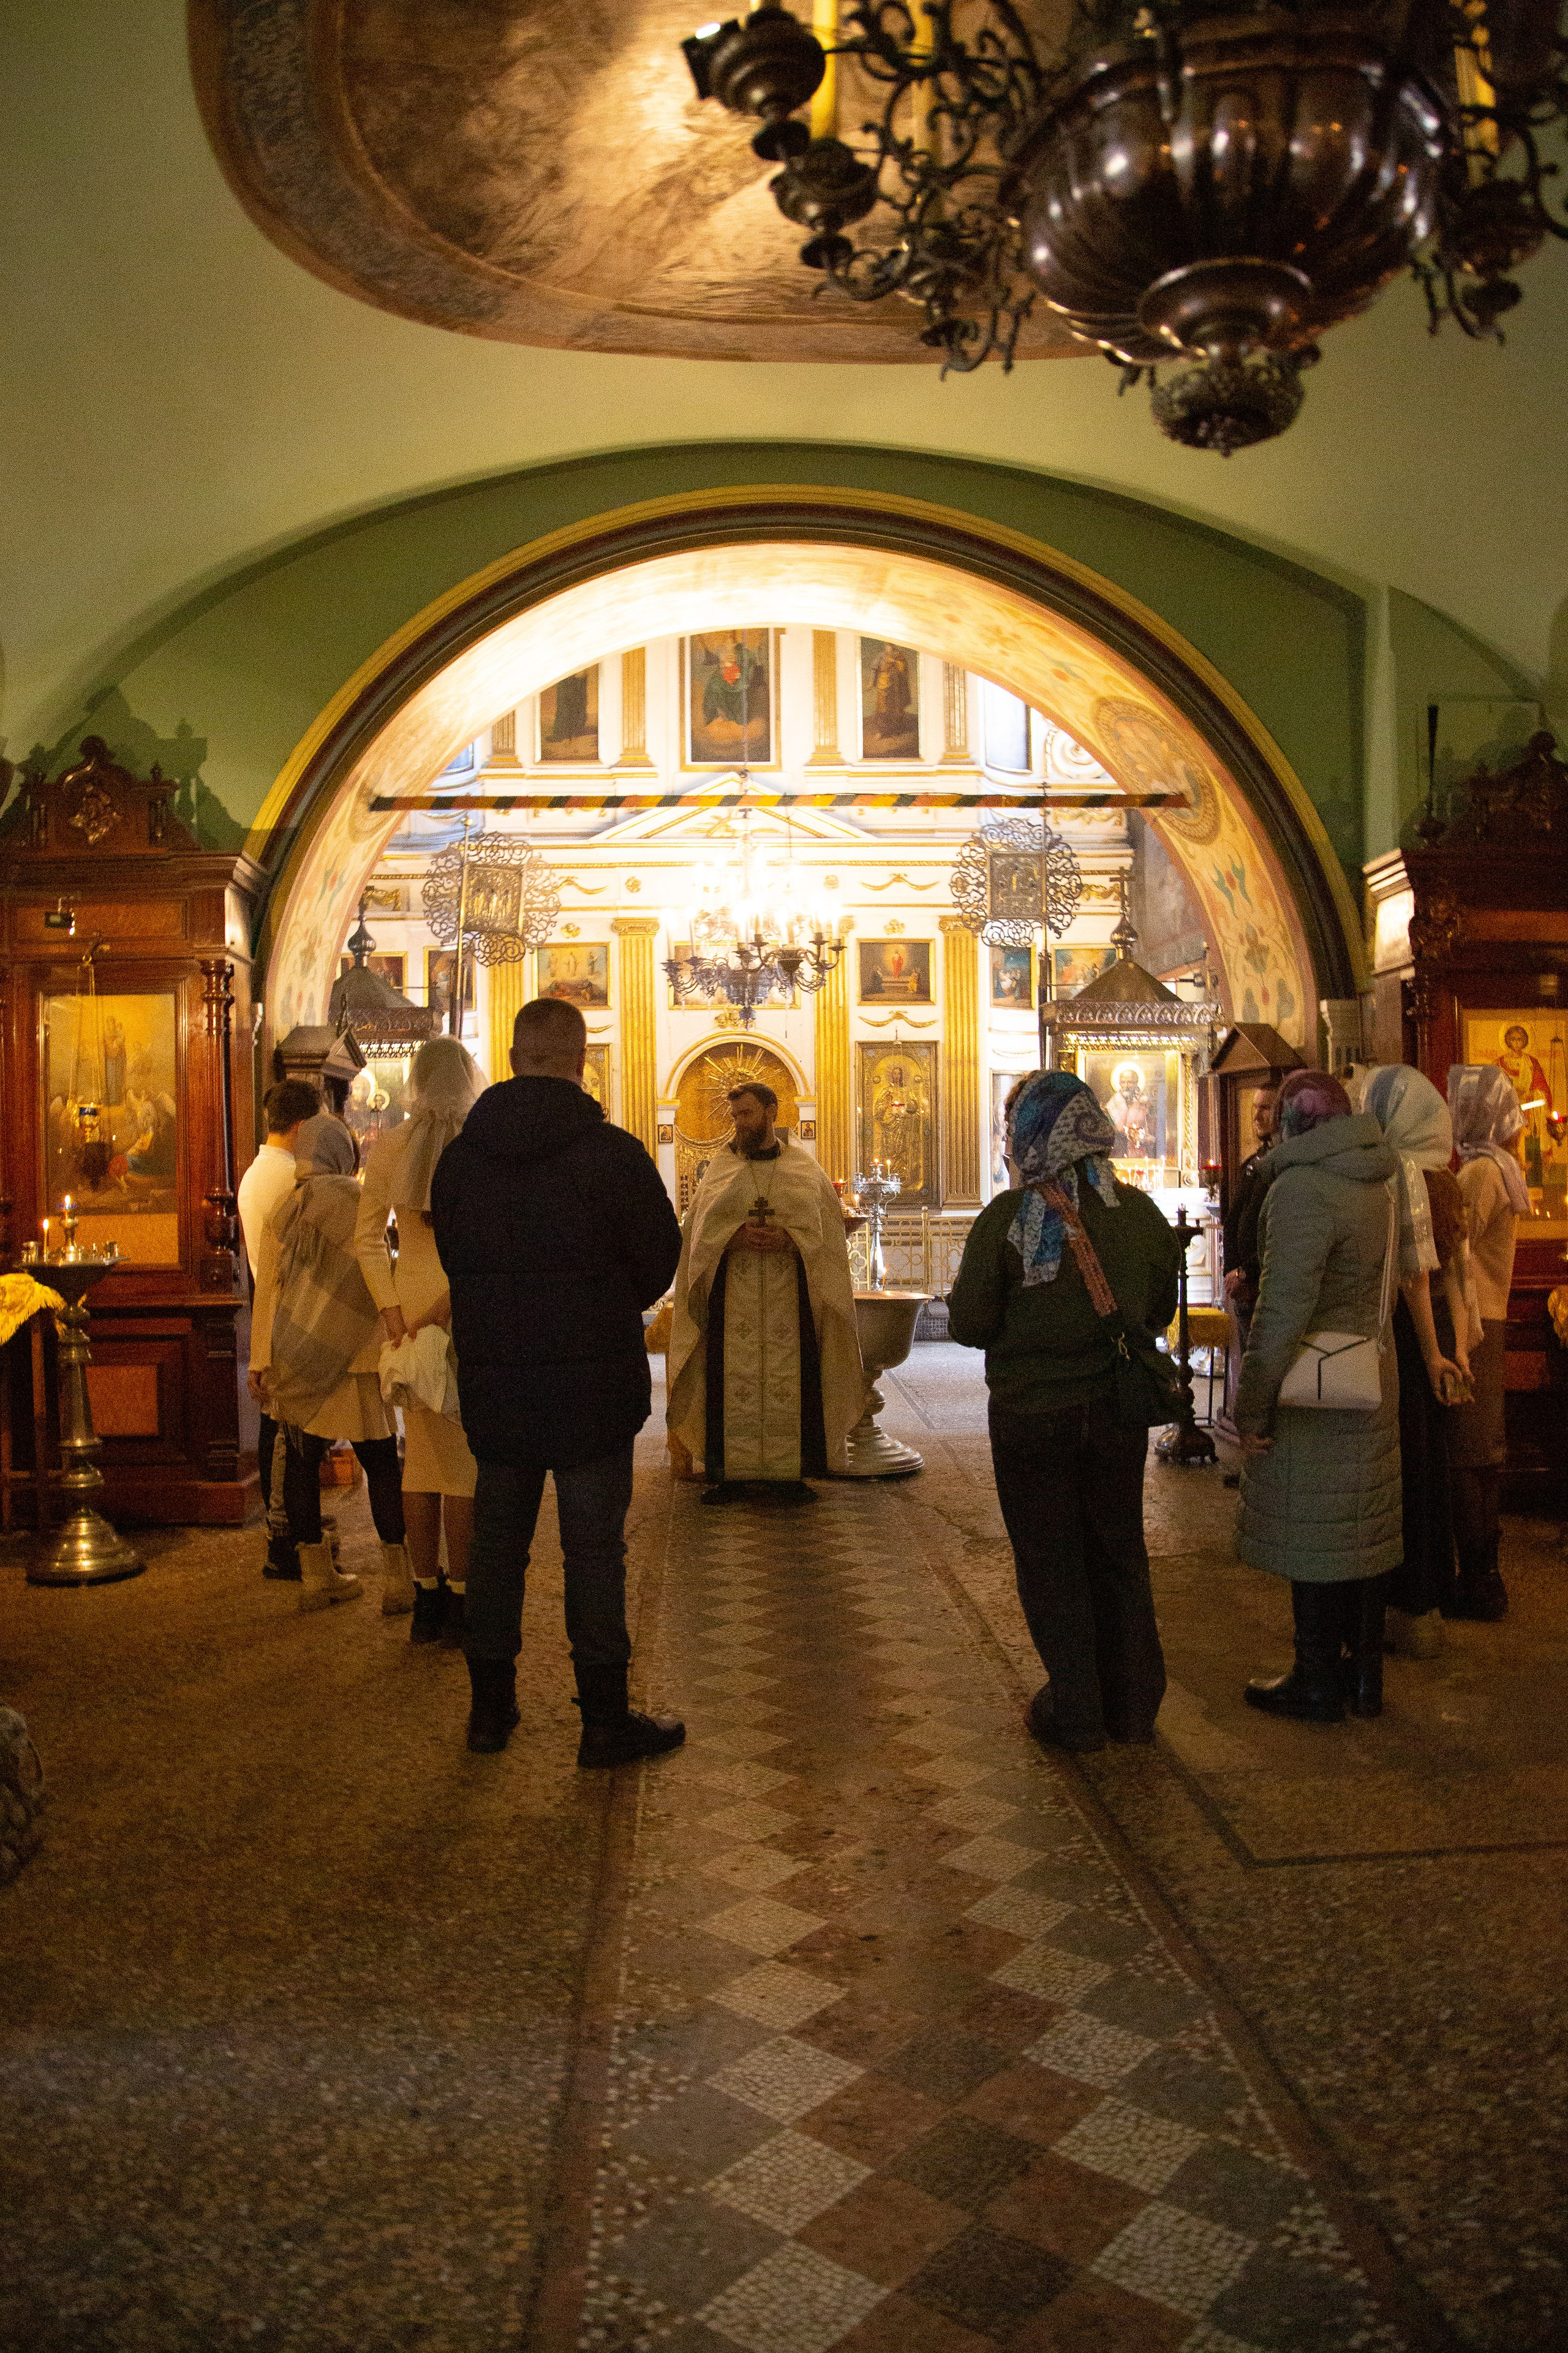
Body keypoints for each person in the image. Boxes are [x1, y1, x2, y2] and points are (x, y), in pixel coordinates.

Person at [430, 997, 685, 1762]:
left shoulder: (461, 1159)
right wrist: (604, 1303)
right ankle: (603, 1722)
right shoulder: (613, 1154)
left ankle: (489, 1712)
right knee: (595, 1551)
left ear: (513, 1059)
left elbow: (456, 1260)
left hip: (497, 1382)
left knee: (498, 1547)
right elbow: (657, 1260)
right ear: (580, 1060)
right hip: (593, 1385)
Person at [948, 1071, 1181, 1751]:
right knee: (1117, 1549)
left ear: (1030, 1135)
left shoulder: (1007, 1221)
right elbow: (1157, 1311)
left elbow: (967, 1322)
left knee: (1050, 1558)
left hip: (1031, 1417)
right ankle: (1134, 1707)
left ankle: (1076, 1710)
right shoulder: (1138, 1214)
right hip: (1114, 1413)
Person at [1234, 1070, 1402, 1721]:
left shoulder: (1302, 1186)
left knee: (1317, 1536)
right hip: (1369, 1376)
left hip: (1315, 1389)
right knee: (1356, 1533)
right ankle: (1362, 1678)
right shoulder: (1379, 1178)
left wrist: (1252, 1405)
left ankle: (1314, 1677)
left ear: (1292, 1122)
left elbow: (1282, 1310)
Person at [666, 1082, 864, 1504]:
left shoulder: (804, 1171)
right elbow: (697, 1234)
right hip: (730, 1296)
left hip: (788, 1301)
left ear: (772, 1112)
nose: (739, 1124)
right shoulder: (720, 1169)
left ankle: (789, 1472)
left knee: (791, 1378)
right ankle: (729, 1473)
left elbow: (826, 1233)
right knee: (727, 1377)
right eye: (735, 1116)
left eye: (748, 1114)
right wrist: (730, 1238)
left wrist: (794, 1241)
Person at [247, 1116, 412, 1613]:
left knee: (301, 1463)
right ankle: (401, 1581)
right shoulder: (360, 1204)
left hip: (300, 1356)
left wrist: (262, 1360)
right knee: (382, 1463)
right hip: (359, 1353)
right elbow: (381, 1269)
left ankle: (316, 1578)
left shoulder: (286, 1207)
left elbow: (268, 1295)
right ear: (344, 1154)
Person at [355, 1037, 486, 1641]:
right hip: (464, 1302)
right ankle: (460, 1601)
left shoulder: (392, 1143)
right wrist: (454, 1299)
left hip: (408, 1300)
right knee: (461, 1463)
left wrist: (389, 1310)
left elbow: (367, 1238)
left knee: (419, 1459)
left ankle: (425, 1599)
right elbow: (495, 1239)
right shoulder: (481, 1141)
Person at [1359, 1063, 1476, 1656]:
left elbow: (1414, 1279)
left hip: (1404, 1341)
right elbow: (1457, 1276)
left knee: (1400, 1468)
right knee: (1429, 1467)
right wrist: (1460, 1347)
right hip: (1433, 1342)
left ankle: (1401, 1601)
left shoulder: (1397, 1178)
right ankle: (1426, 1598)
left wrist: (1432, 1354)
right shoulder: (1442, 1178)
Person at [1446, 1063, 1528, 1620]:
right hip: (1491, 1317)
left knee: (1468, 1455)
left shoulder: (1480, 1172)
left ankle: (1478, 1581)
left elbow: (1455, 1247)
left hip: (1473, 1323)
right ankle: (1485, 1576)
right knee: (1483, 1456)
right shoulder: (1504, 1168)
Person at [236, 1078, 322, 1579]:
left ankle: (286, 1527)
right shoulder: (292, 1177)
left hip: (272, 1306)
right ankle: (285, 1537)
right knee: (291, 1436)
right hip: (296, 1311)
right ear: (302, 1126)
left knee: (281, 1429)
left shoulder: (254, 1173)